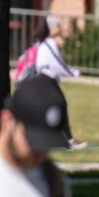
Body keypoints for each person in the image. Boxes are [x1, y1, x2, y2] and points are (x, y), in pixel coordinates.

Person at [22, 16, 86, 148]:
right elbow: (57, 64)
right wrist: (74, 73)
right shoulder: (50, 43)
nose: (60, 28)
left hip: (40, 80)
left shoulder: (40, 43)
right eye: (57, 25)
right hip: (46, 79)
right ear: (51, 28)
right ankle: (68, 140)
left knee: (51, 105)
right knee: (60, 103)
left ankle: (53, 138)